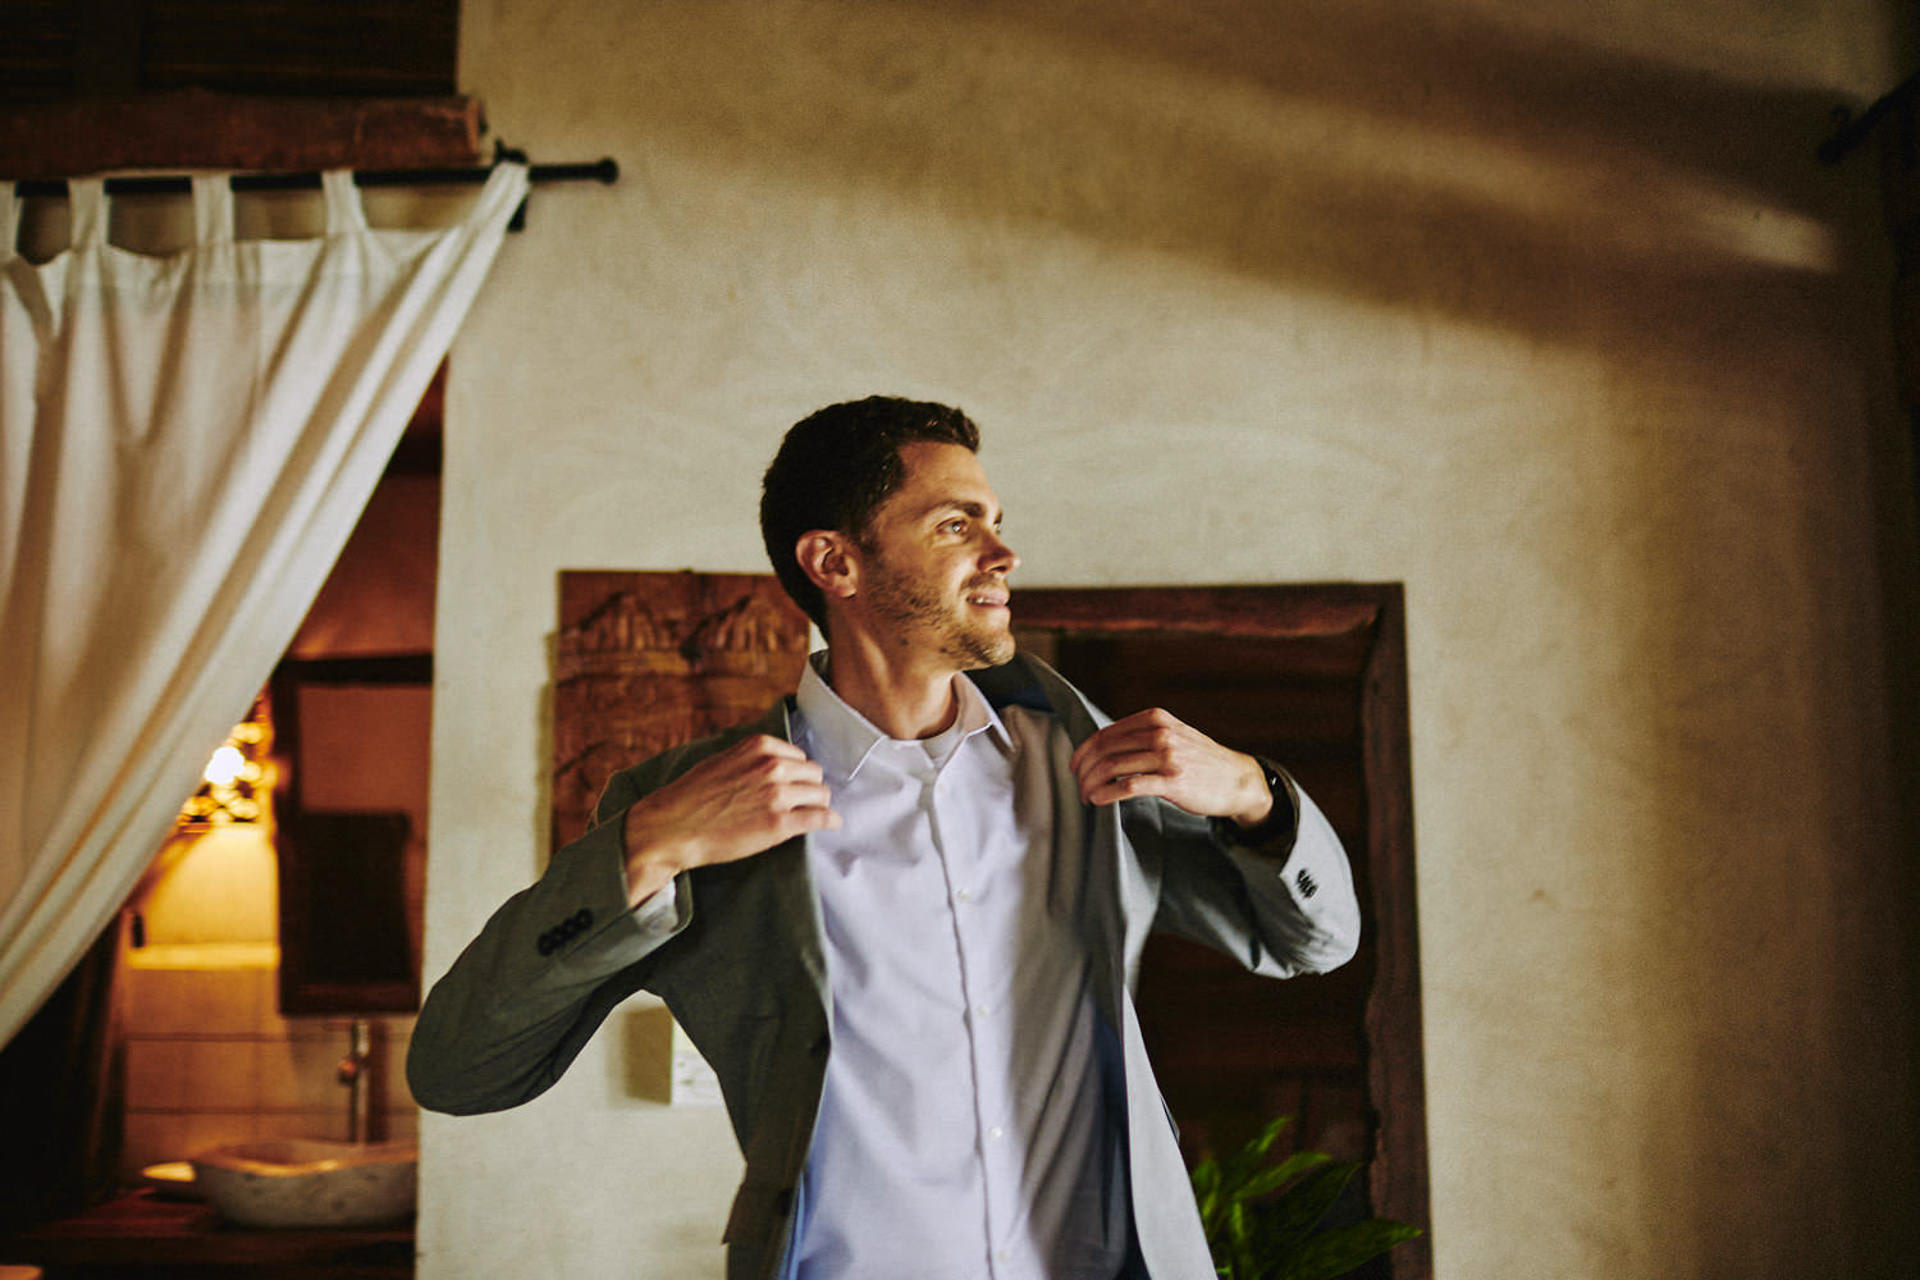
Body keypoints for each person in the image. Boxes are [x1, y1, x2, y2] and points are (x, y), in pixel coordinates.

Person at [407, 396, 1361, 1280]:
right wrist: (645, 847)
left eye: (994, 520)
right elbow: (458, 1070)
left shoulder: (1090, 765)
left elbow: (1313, 943)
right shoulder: (687, 804)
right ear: (835, 564)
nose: (1003, 552)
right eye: (956, 525)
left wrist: (1255, 793)